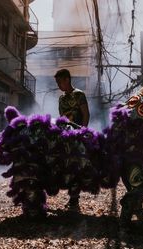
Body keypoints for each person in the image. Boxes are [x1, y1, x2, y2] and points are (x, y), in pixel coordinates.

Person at [54, 68, 90, 211]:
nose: (58, 85)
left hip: (77, 136)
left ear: (67, 80)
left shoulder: (79, 95)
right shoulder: (61, 99)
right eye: (57, 82)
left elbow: (86, 114)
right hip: (64, 136)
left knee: (76, 166)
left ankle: (74, 199)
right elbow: (62, 118)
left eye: (59, 81)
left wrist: (83, 131)